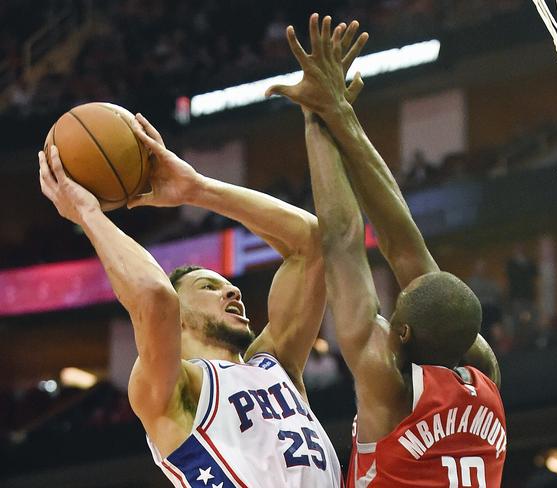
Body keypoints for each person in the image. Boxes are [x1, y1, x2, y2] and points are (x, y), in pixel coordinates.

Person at [36, 100, 363, 486]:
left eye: (229, 286)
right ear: (178, 317)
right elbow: (154, 295)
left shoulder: (276, 364)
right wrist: (89, 214)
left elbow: (311, 243)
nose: (233, 292)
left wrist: (198, 189)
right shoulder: (173, 387)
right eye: (209, 287)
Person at [268, 14, 506, 486]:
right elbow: (394, 245)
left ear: (399, 334)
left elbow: (346, 240)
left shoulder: (387, 378)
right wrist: (335, 114)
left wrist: (321, 118)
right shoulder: (483, 371)